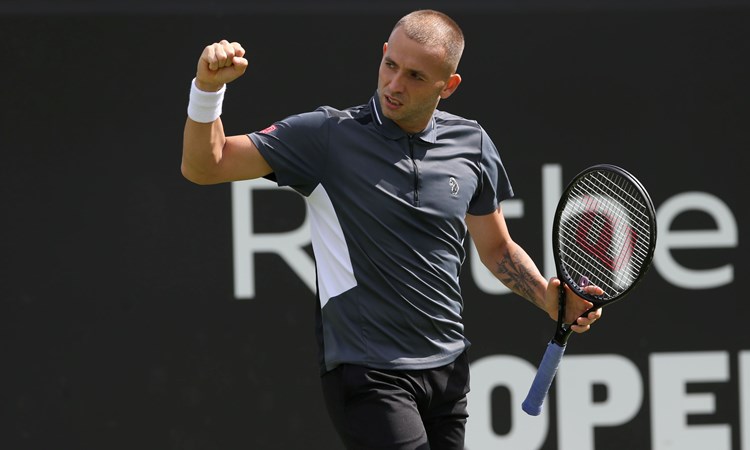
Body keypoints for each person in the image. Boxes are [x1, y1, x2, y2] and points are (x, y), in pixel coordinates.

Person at [182, 9, 603, 450]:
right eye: (391, 65)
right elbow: (204, 166)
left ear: (449, 86)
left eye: (416, 76)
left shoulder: (473, 145)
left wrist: (547, 296)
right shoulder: (327, 136)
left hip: (448, 370)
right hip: (367, 371)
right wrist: (207, 90)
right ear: (383, 54)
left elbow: (496, 247)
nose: (395, 84)